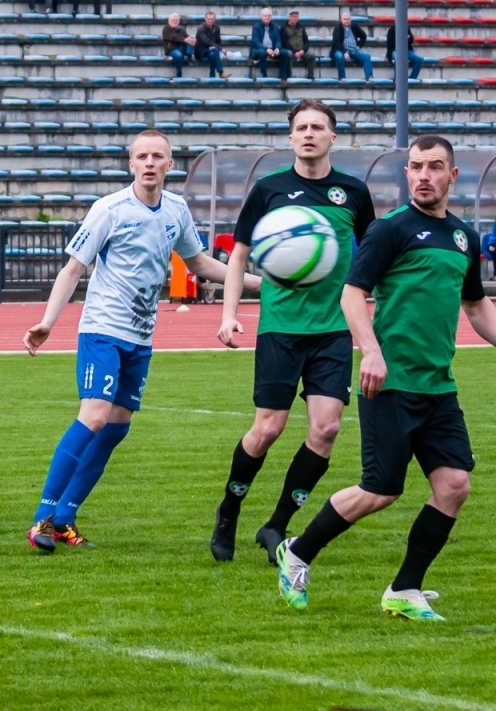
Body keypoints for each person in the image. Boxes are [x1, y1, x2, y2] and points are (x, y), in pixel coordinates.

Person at [276, 136, 495, 622]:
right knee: (380, 490)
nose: (422, 175)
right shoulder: (390, 230)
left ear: (451, 177)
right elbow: (353, 295)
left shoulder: (463, 237)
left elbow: (476, 305)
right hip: (390, 383)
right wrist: (370, 352)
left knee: (455, 485)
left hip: (438, 386)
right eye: (415, 166)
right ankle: (297, 552)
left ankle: (404, 588)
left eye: (434, 167)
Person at [25, 130, 242, 553]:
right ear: (130, 164)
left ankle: (66, 518)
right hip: (103, 329)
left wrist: (259, 283)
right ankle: (44, 517)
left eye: (156, 156)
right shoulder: (109, 209)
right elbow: (73, 268)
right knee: (93, 416)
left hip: (141, 336)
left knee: (117, 427)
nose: (148, 162)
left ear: (168, 164)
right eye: (141, 156)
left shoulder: (176, 209)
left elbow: (198, 262)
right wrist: (48, 322)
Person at [212, 99, 374, 564]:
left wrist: (372, 318)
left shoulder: (353, 193)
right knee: (268, 429)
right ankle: (230, 509)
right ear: (290, 137)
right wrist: (228, 314)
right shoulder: (269, 190)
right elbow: (238, 255)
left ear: (332, 137)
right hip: (280, 327)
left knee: (326, 428)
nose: (308, 133)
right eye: (300, 127)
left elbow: (371, 257)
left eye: (317, 127)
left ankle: (277, 525)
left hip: (333, 329)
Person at [331, 11, 373, 81]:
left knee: (367, 57)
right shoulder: (337, 28)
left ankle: (369, 77)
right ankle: (342, 78)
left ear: (350, 20)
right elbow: (336, 43)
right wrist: (344, 52)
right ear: (341, 20)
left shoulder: (354, 26)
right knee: (339, 56)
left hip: (353, 50)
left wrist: (359, 45)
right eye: (345, 19)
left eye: (348, 19)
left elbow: (363, 36)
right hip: (340, 50)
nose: (347, 21)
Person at [250, 6, 288, 79]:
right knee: (262, 52)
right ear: (262, 17)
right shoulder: (256, 27)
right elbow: (256, 42)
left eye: (269, 16)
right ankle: (264, 74)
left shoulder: (275, 26)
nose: (267, 17)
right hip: (260, 49)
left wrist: (277, 48)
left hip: (272, 49)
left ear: (271, 17)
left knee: (285, 53)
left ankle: (282, 76)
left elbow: (278, 40)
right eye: (265, 16)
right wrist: (266, 49)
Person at [280, 10, 318, 80]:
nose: (294, 18)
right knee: (288, 54)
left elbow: (306, 41)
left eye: (296, 16)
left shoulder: (302, 27)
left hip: (301, 50)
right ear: (289, 17)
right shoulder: (283, 28)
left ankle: (310, 76)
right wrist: (294, 52)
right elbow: (284, 43)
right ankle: (289, 75)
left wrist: (303, 50)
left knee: (312, 55)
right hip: (290, 50)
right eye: (293, 16)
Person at [193, 9, 226, 77]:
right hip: (201, 51)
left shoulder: (217, 28)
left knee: (212, 55)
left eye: (212, 19)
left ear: (214, 19)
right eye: (209, 19)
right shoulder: (201, 28)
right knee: (215, 50)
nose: (210, 21)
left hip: (211, 50)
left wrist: (216, 47)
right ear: (205, 19)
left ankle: (212, 75)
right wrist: (220, 48)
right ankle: (220, 72)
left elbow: (218, 40)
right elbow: (205, 41)